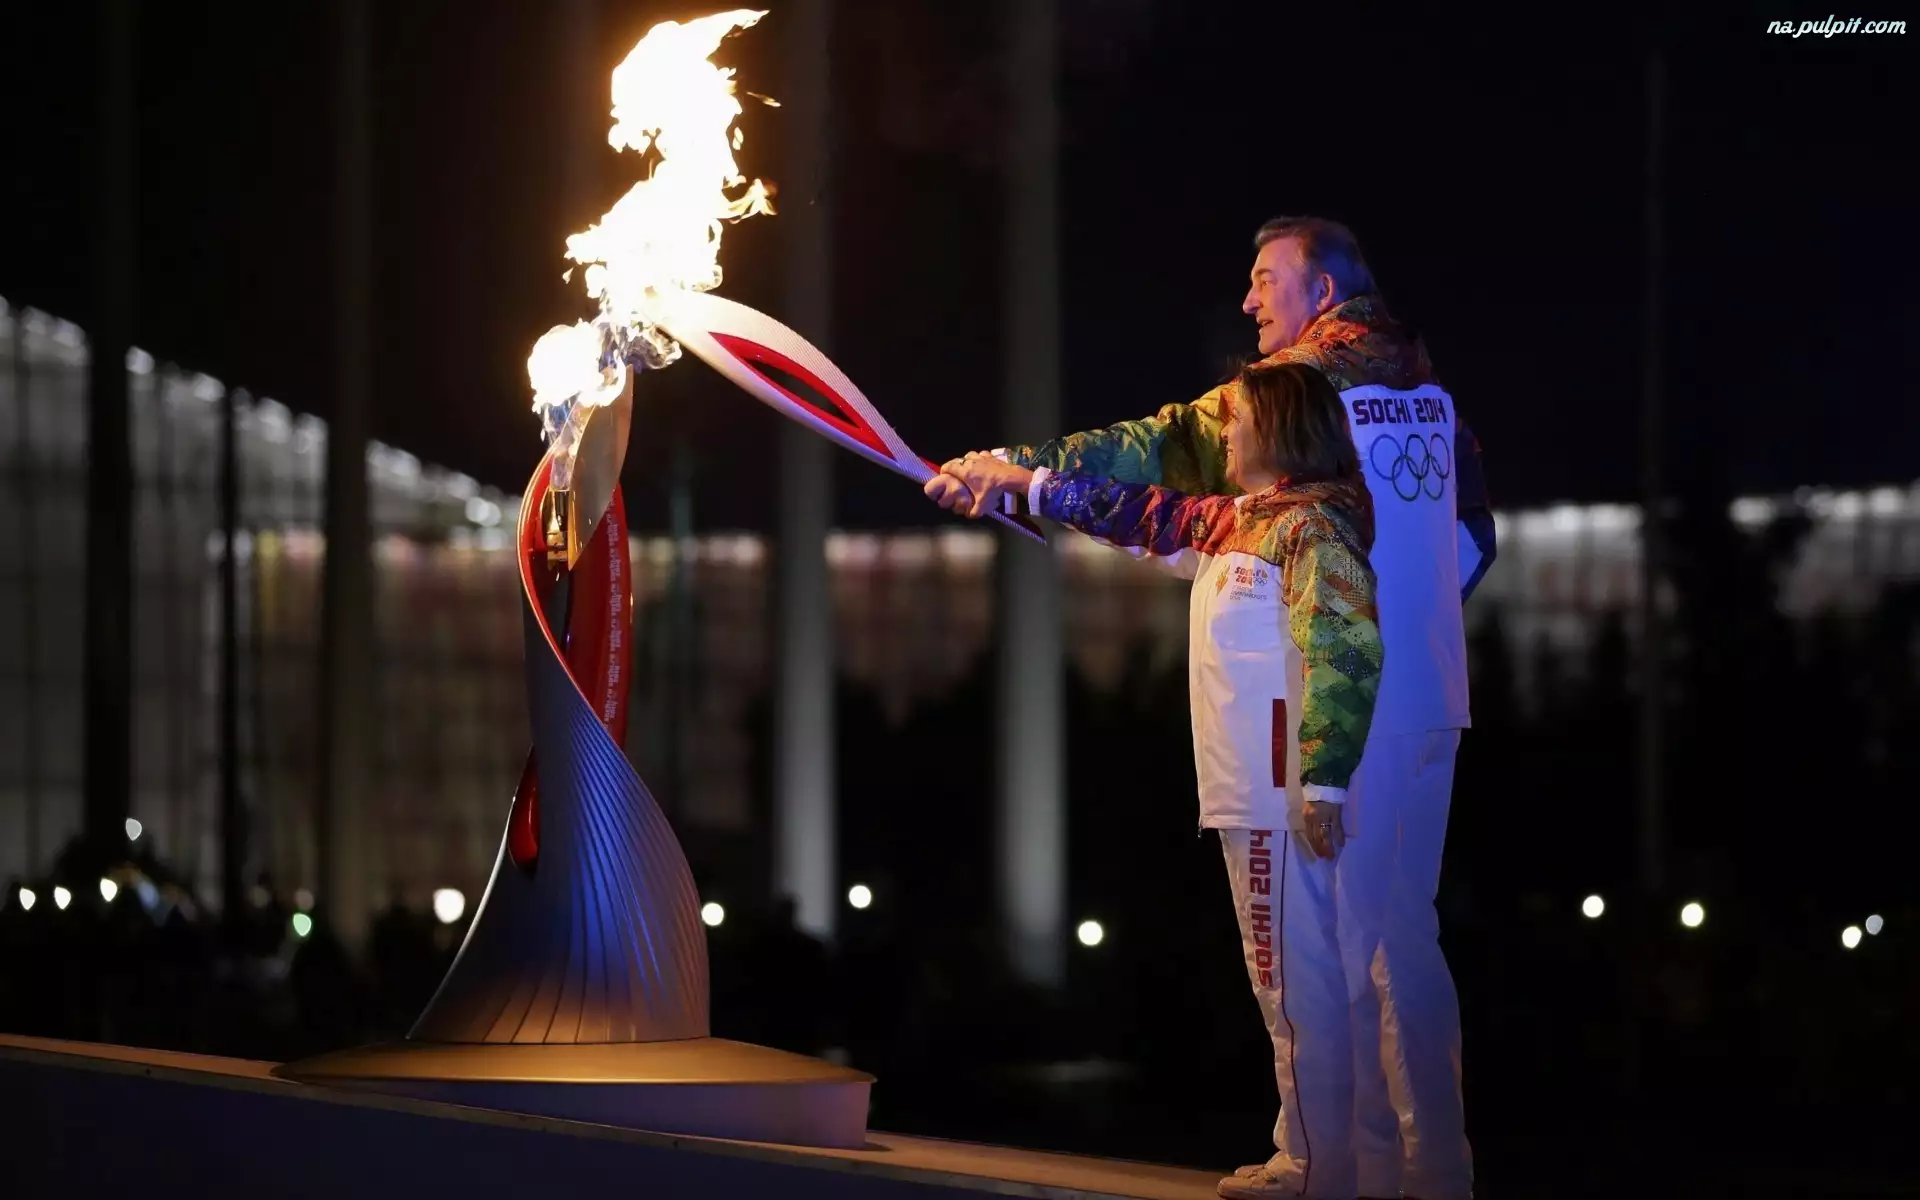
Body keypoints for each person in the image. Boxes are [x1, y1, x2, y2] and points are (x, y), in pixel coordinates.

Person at [930, 216, 1490, 1200]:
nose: (1249, 299)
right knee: (1397, 940)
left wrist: (1014, 469)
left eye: (1266, 278)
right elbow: (1476, 539)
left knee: (1322, 949)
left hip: (1326, 708)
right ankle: (1422, 1169)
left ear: (1322, 291)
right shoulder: (1431, 397)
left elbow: (1157, 454)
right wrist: (1407, 628)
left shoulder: (1294, 393)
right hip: (1424, 696)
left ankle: (1325, 1165)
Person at [935, 362, 1382, 1200]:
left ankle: (1316, 1167)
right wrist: (1016, 482)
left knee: (1294, 978)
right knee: (1289, 977)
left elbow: (1347, 648)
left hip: (1280, 797)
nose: (1225, 431)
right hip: (1254, 794)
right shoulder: (1238, 521)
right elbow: (1134, 511)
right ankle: (1328, 1158)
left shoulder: (1310, 528)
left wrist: (1322, 781)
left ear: (1280, 429)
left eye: (1239, 419)